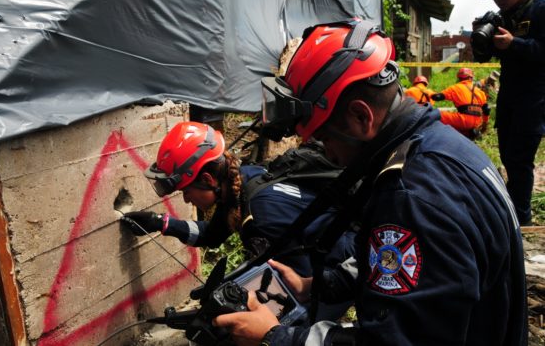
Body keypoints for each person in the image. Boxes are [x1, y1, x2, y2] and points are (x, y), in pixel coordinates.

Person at [213, 19, 528, 345]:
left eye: (323, 138)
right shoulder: (443, 147)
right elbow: (402, 267)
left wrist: (276, 337)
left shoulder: (412, 196)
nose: (326, 154)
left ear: (361, 117)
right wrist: (319, 285)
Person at [120, 121, 355, 320]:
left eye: (186, 190)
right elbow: (211, 235)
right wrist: (161, 223)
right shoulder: (242, 183)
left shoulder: (259, 214)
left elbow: (302, 289)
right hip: (320, 261)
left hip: (344, 265)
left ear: (207, 178)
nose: (187, 199)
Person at [478, 0, 545, 225]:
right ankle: (511, 212)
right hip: (509, 98)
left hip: (533, 99)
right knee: (508, 156)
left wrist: (514, 43)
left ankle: (521, 219)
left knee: (520, 160)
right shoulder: (503, 17)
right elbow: (491, 55)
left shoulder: (540, 10)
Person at [432, 67, 489, 139]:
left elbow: (437, 97)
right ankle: (470, 133)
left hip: (463, 120)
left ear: (459, 78)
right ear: (471, 78)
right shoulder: (480, 91)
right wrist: (485, 124)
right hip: (477, 122)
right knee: (461, 126)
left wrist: (428, 93)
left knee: (437, 115)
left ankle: (438, 136)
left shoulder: (455, 88)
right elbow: (486, 109)